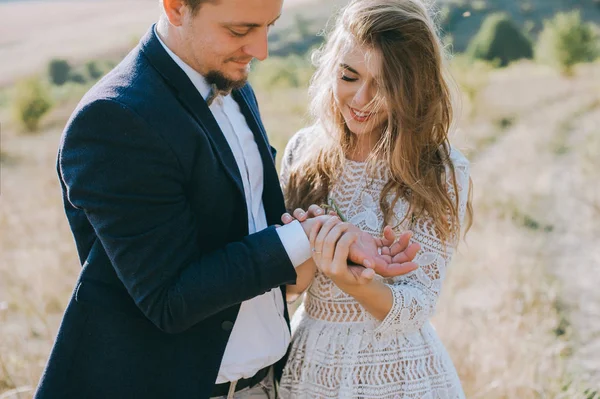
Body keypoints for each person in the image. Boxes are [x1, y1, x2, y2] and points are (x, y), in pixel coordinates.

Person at [34, 0, 420, 398]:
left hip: (267, 386)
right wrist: (303, 235)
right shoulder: (114, 118)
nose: (261, 50)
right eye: (240, 31)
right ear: (176, 7)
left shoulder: (232, 81)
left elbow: (247, 225)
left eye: (269, 26)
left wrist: (330, 237)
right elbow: (170, 300)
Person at [278, 0, 474, 397]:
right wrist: (305, 250)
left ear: (413, 87)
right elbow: (285, 290)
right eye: (349, 76)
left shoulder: (440, 169)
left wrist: (346, 275)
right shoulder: (302, 150)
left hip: (400, 377)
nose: (361, 98)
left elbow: (416, 306)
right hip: (311, 371)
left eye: (383, 85)